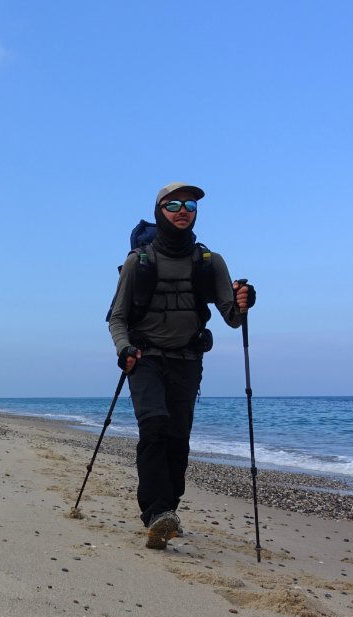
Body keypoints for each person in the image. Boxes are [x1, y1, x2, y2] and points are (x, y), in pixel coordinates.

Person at [107, 182, 255, 549]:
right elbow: (117, 317)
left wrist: (244, 301)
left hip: (188, 361)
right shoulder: (137, 262)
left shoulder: (210, 262)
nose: (183, 209)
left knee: (178, 439)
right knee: (154, 425)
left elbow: (232, 318)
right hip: (144, 358)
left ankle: (168, 511)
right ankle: (155, 512)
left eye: (189, 204)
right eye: (173, 204)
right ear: (160, 211)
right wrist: (124, 348)